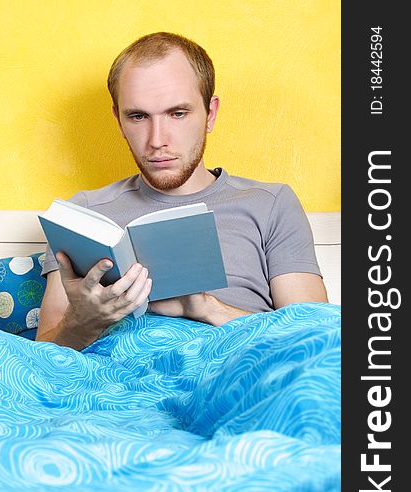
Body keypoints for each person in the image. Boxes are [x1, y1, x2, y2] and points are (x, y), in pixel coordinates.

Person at [36, 32, 328, 350]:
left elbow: (316, 340)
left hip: (230, 370)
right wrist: (82, 323)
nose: (157, 139)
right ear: (118, 121)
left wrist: (205, 308)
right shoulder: (84, 215)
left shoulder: (270, 204)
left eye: (177, 113)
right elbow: (42, 357)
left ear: (210, 114)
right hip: (114, 380)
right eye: (137, 116)